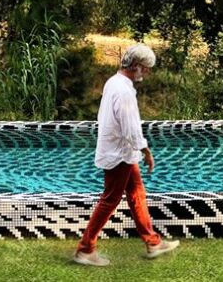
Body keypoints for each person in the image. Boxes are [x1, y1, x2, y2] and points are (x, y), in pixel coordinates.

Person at [73, 44, 180, 267]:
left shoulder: (114, 82)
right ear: (137, 67)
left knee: (136, 194)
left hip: (121, 151)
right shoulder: (123, 91)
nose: (148, 73)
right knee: (109, 200)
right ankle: (85, 249)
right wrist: (146, 150)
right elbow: (131, 128)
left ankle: (153, 242)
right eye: (147, 68)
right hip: (119, 154)